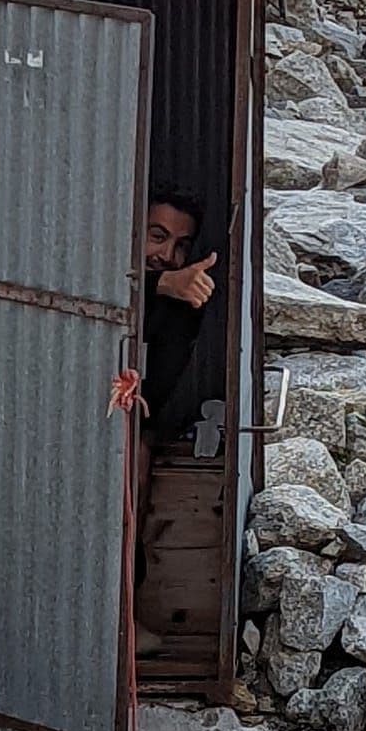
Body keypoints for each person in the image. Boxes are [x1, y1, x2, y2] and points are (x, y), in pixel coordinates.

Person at [134, 186, 216, 655]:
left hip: (119, 417)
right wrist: (158, 286)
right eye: (157, 236)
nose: (167, 255)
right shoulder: (97, 270)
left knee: (136, 462)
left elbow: (157, 389)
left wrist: (170, 295)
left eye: (180, 245)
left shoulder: (184, 301)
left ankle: (119, 616)